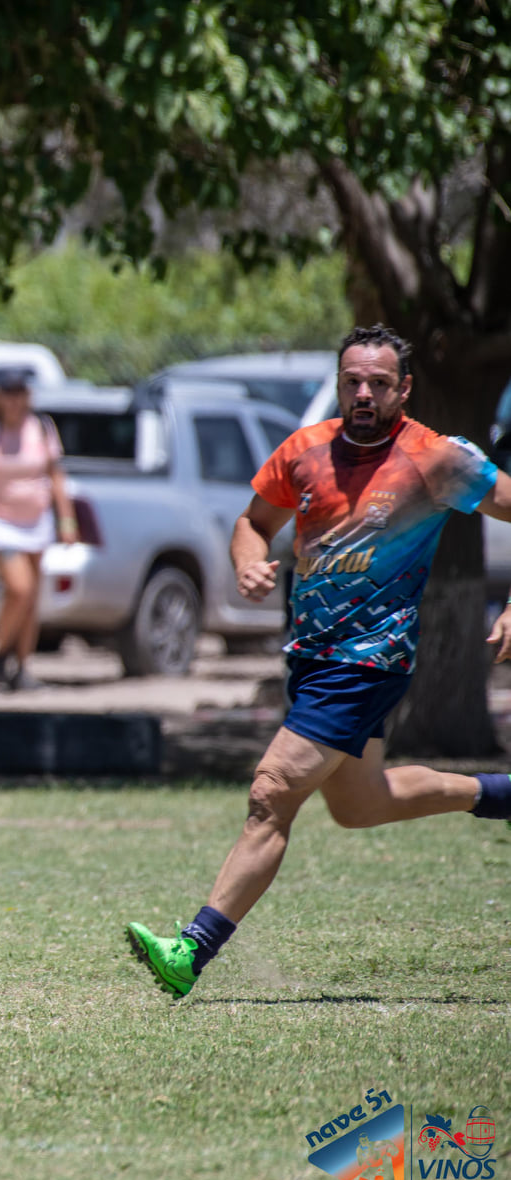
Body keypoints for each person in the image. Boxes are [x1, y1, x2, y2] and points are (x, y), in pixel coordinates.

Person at [127, 324, 511, 998]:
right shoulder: (303, 451)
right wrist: (248, 564)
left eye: (378, 383)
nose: (363, 393)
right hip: (310, 656)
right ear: (338, 383)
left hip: (368, 659)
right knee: (360, 803)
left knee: (271, 792)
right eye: (351, 381)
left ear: (404, 388)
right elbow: (252, 523)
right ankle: (498, 793)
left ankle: (190, 951)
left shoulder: (436, 459)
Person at [0, 371, 77, 689]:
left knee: (31, 597)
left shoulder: (41, 426)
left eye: (20, 393)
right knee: (19, 588)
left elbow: (55, 476)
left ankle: (22, 665)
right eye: (8, 394)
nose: (14, 401)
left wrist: (67, 521)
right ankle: (0, 652)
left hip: (36, 521)